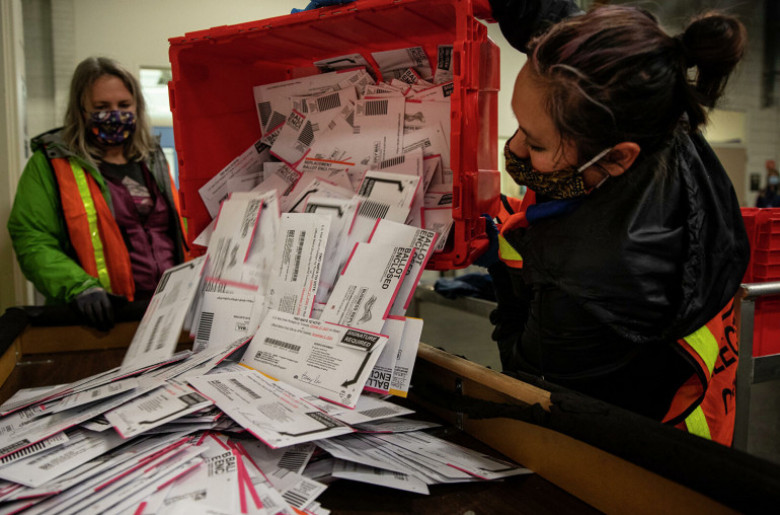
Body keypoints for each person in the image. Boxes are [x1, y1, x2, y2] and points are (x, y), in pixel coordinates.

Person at [484, 2, 749, 446]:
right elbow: (548, 13)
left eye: (537, 143)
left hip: (656, 453)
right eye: (519, 126)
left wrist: (500, 271)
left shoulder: (594, 283)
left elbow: (529, 379)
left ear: (617, 157)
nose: (516, 149)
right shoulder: (646, 108)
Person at [7, 57, 186, 330]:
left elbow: (177, 230)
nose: (115, 114)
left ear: (137, 107)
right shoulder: (51, 163)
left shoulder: (151, 159)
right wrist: (79, 286)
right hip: (102, 319)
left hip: (167, 312)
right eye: (101, 107)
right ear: (81, 110)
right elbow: (32, 238)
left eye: (124, 105)